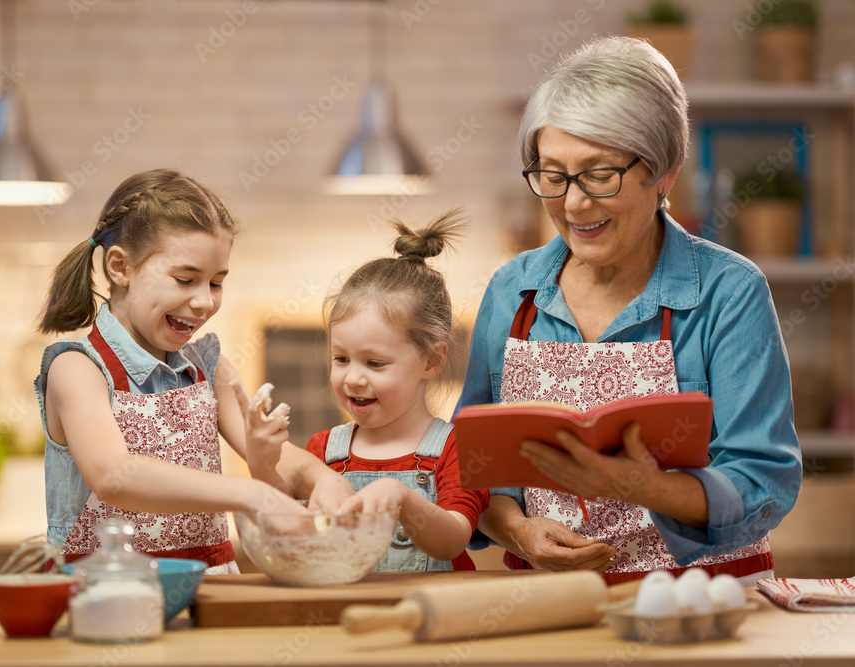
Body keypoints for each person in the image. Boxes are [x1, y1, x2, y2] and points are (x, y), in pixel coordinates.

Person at [458, 36, 802, 585]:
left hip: (703, 602)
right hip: (550, 600)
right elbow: (471, 467)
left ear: (663, 172)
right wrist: (518, 532)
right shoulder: (511, 292)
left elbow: (765, 482)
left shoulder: (729, 292)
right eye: (552, 174)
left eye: (599, 174)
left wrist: (641, 487)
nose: (573, 203)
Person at [34, 168, 351, 573]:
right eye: (186, 280)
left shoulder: (207, 368)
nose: (204, 302)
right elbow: (114, 475)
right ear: (120, 267)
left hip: (210, 586)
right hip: (108, 593)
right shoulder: (77, 368)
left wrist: (322, 480)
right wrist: (253, 495)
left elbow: (283, 459)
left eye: (216, 283)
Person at [304, 211, 490, 571]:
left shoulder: (458, 449)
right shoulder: (321, 451)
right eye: (341, 359)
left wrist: (404, 499)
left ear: (431, 361)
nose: (353, 379)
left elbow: (453, 541)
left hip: (433, 621)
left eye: (375, 364)